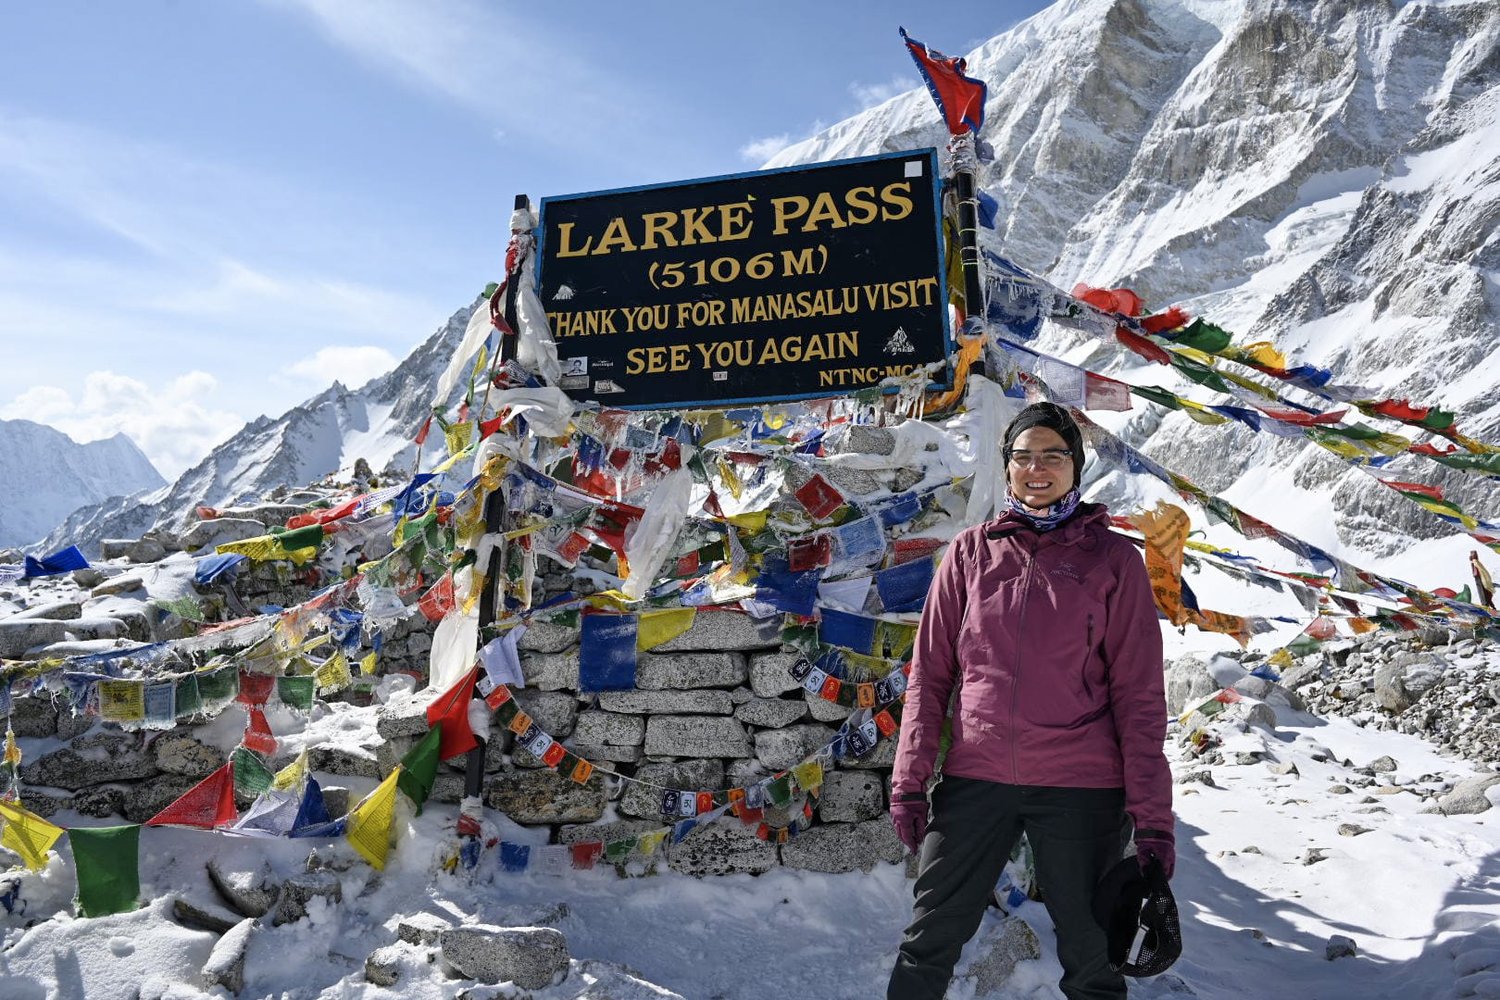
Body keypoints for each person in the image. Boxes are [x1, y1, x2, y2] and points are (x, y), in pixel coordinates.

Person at [886, 401, 1174, 1000]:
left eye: (1053, 455)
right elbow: (930, 677)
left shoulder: (1115, 562)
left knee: (1094, 957)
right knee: (928, 939)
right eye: (1022, 457)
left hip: (1083, 788)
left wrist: (1153, 820)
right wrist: (909, 780)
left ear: (1076, 465)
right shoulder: (970, 555)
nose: (1036, 469)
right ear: (1007, 467)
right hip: (976, 779)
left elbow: (1140, 698)